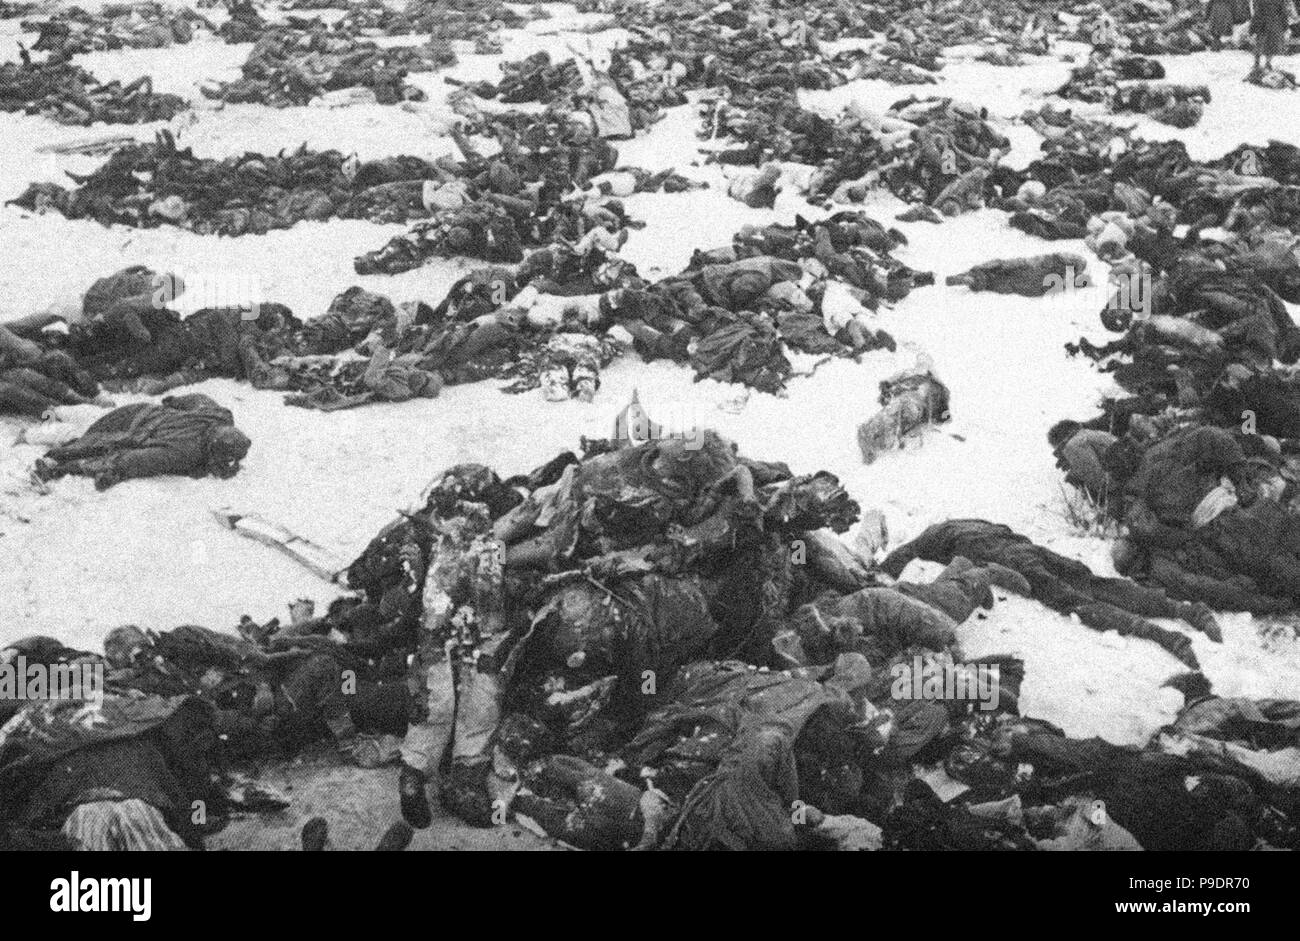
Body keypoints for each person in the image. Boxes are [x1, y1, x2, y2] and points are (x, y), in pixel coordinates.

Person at [34, 393, 250, 489]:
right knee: (81, 440)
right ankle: (34, 431)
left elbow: (198, 399)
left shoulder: (218, 415)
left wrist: (173, 402)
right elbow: (134, 460)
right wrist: (71, 468)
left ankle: (52, 411)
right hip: (125, 429)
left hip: (139, 409)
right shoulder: (186, 452)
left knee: (83, 418)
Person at [1251, 0, 1290, 72]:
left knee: (1260, 43)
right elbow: (1283, 12)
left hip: (1263, 24)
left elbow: (1257, 12)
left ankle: (1258, 63)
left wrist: (1252, 27)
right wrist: (1285, 26)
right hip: (1273, 24)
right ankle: (1266, 63)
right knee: (1270, 44)